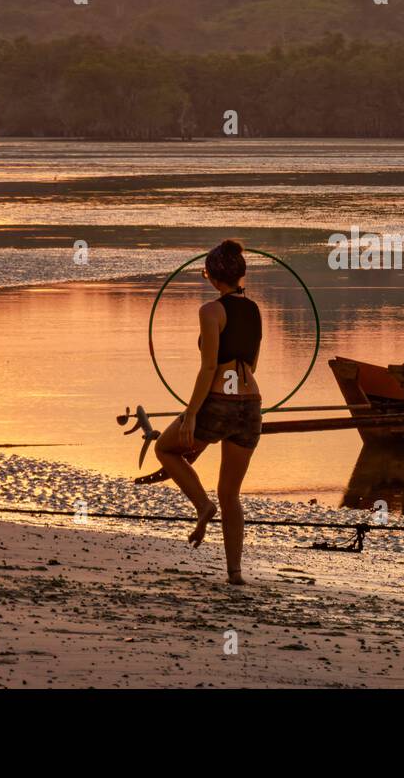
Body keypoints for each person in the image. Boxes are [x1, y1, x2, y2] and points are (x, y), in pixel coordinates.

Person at [144, 239, 262, 585]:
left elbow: (209, 367)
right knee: (231, 494)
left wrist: (192, 413)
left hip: (219, 402)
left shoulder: (210, 311)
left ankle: (202, 506)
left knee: (165, 449)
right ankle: (235, 573)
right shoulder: (254, 310)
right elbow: (252, 364)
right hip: (251, 403)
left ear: (212, 275)